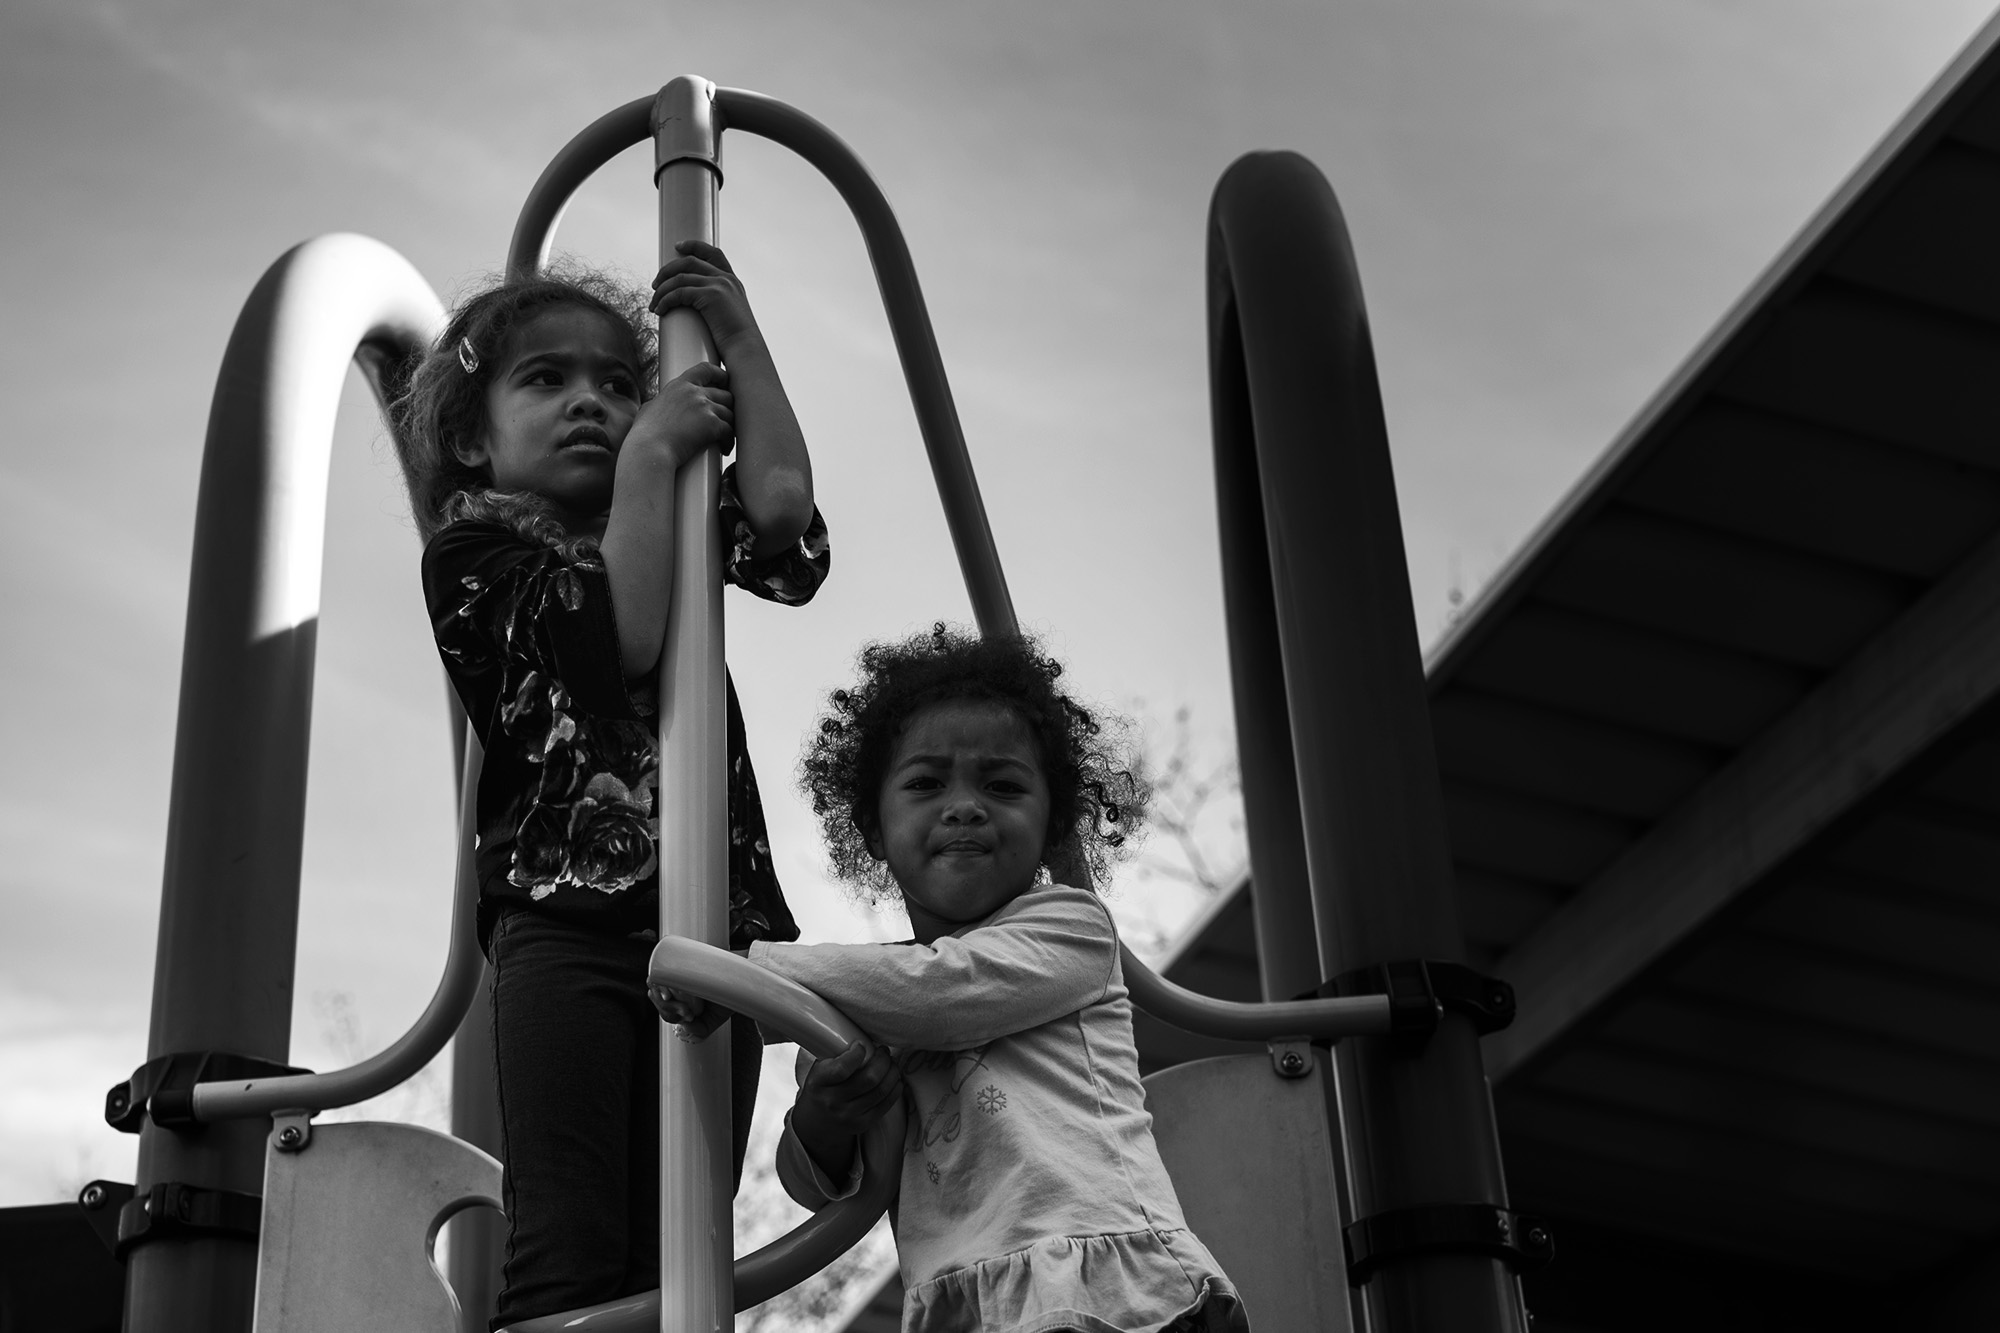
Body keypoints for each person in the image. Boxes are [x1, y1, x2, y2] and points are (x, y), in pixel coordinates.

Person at [389, 245, 829, 1328]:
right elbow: (615, 640)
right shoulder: (476, 555)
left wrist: (742, 343)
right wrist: (652, 462)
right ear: (470, 436)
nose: (591, 401)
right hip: (568, 933)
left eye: (619, 384)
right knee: (574, 1245)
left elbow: (778, 515)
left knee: (680, 1252)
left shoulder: (670, 523)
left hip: (710, 938)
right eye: (545, 381)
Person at [689, 626, 1250, 1331]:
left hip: (1110, 1288)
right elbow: (816, 1183)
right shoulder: (860, 1000)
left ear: (1052, 827)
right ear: (874, 829)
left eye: (1002, 783)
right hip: (969, 1304)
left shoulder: (1072, 930)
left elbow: (941, 992)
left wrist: (749, 973)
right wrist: (826, 1119)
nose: (964, 805)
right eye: (926, 783)